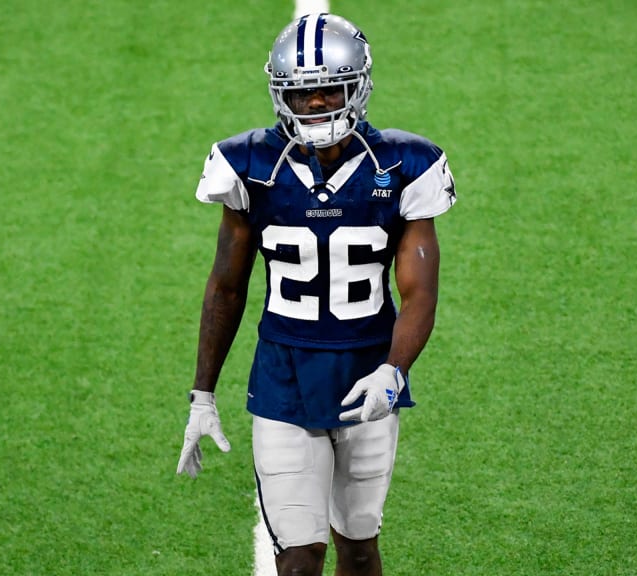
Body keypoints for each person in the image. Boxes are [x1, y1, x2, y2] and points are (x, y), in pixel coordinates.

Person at [176, 12, 456, 576]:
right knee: (299, 562)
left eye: (329, 88)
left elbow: (420, 291)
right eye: (301, 93)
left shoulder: (403, 165)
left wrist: (394, 371)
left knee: (358, 545)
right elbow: (227, 287)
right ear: (280, 95)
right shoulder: (249, 165)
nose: (316, 105)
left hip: (368, 375)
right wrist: (202, 394)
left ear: (359, 86)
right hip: (283, 381)